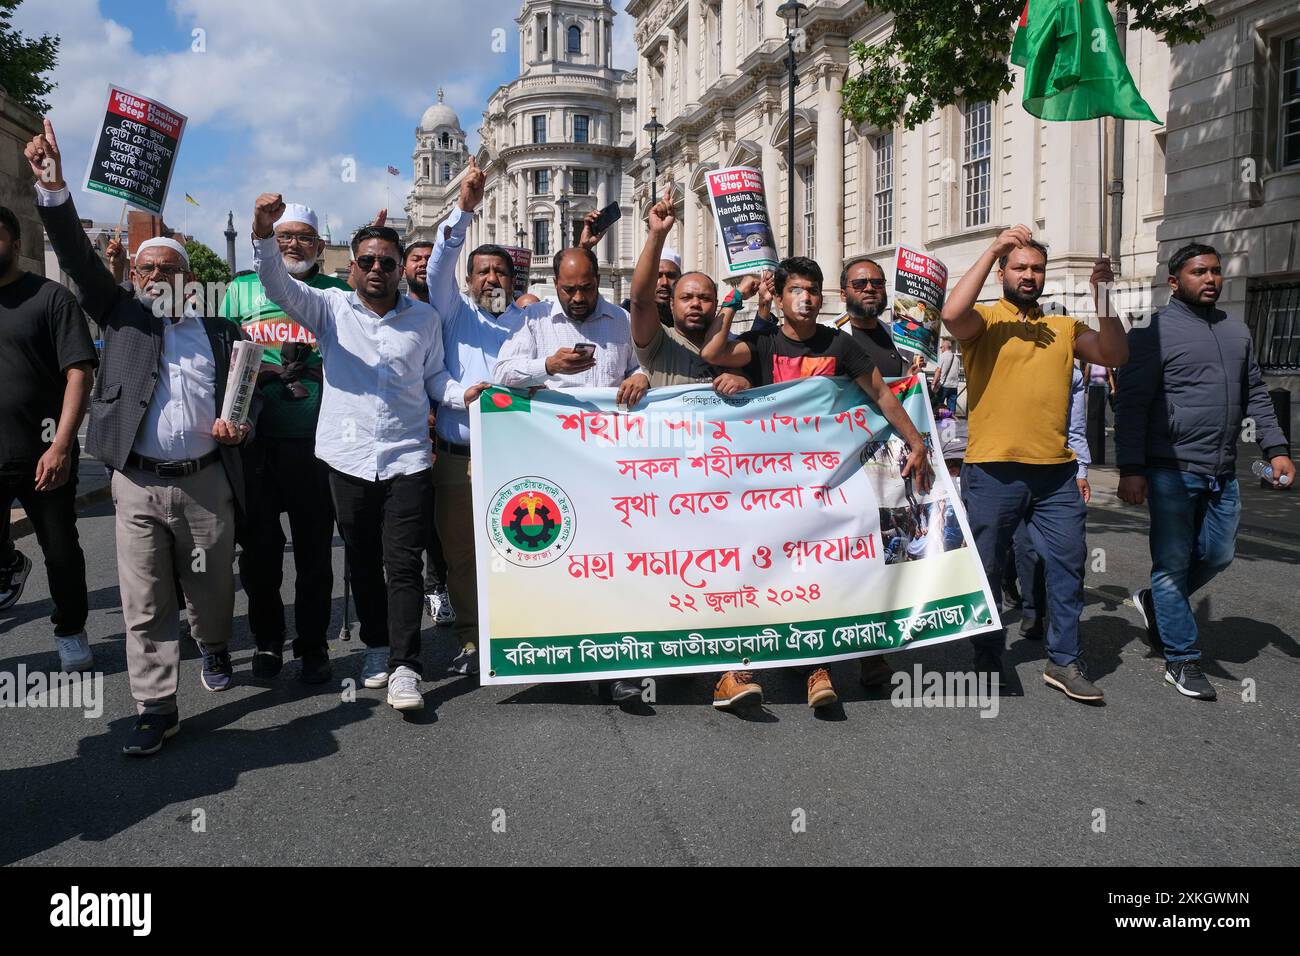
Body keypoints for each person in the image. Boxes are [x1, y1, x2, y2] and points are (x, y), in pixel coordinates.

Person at [29, 120, 252, 755]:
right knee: (144, 599)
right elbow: (73, 252)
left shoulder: (217, 331)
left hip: (207, 483)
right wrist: (52, 185)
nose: (151, 275)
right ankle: (155, 705)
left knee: (209, 590)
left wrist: (241, 424)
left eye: (163, 267)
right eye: (143, 267)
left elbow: (246, 394)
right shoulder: (120, 316)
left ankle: (211, 644)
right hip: (136, 484)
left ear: (186, 277)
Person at [252, 192, 460, 714]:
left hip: (408, 457)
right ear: (352, 268)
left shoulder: (425, 321)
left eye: (386, 263)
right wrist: (262, 233)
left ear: (398, 271)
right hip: (346, 459)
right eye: (364, 260)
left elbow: (436, 378)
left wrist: (469, 393)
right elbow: (277, 282)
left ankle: (408, 667)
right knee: (364, 562)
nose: (374, 269)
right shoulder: (328, 309)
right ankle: (376, 647)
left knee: (404, 564)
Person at [701, 255, 934, 709]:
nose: (804, 300)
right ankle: (743, 667)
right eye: (795, 291)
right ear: (782, 296)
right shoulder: (763, 342)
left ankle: (819, 667)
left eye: (811, 291)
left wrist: (917, 441)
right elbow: (712, 354)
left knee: (816, 572)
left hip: (823, 481)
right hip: (767, 483)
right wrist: (737, 296)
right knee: (760, 570)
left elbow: (882, 394)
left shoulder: (840, 345)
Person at [940, 224, 1128, 703]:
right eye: (1019, 267)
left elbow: (1115, 353)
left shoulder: (1064, 327)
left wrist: (1104, 296)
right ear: (1003, 272)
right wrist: (994, 247)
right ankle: (987, 655)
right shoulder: (984, 322)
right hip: (992, 470)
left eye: (1037, 269)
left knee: (1068, 567)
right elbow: (951, 313)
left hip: (1056, 475)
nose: (1029, 275)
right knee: (988, 569)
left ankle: (1064, 661)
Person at [1116, 242, 1294, 700]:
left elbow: (1256, 394)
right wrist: (1130, 468)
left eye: (1216, 271)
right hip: (1169, 469)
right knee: (1173, 564)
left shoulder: (1236, 331)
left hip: (1222, 469)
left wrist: (1276, 449)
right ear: (1175, 282)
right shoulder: (1149, 333)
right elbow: (1133, 407)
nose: (1211, 279)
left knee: (1218, 555)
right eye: (1199, 272)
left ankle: (1157, 601)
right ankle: (1182, 659)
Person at [494, 245, 649, 703]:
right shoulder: (536, 320)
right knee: (566, 564)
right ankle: (570, 656)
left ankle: (621, 665)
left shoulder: (620, 320)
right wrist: (548, 365)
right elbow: (502, 372)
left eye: (585, 288)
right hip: (554, 465)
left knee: (616, 563)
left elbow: (641, 364)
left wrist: (641, 376)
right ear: (555, 285)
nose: (578, 297)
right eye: (568, 289)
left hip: (611, 466)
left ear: (598, 280)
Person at [219, 202, 346, 684]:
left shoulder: (336, 292)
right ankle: (268, 642)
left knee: (315, 553)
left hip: (315, 442)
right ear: (270, 240)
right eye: (284, 235)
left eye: (304, 238)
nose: (293, 245)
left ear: (318, 246)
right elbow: (221, 356)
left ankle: (312, 645)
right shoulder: (239, 289)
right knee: (260, 554)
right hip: (256, 441)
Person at [424, 156, 517, 677]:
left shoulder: (531, 318)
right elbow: (438, 267)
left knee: (519, 547)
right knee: (462, 555)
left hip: (516, 458)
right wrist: (463, 210)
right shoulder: (452, 311)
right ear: (471, 279)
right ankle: (471, 637)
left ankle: (516, 635)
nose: (491, 278)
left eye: (500, 270)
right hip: (459, 460)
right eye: (482, 271)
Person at [0, 203, 96, 668]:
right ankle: (7, 564)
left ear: (15, 244)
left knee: (59, 549)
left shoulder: (51, 299)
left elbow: (79, 372)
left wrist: (61, 444)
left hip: (44, 452)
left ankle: (71, 628)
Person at [1013, 359, 1091, 640]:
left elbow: (1076, 426)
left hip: (1057, 471)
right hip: (1011, 467)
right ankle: (1033, 609)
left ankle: (1064, 642)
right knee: (1025, 546)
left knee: (1067, 550)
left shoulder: (1071, 371)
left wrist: (1081, 470)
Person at [401, 237, 455, 627]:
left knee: (441, 513)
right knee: (408, 519)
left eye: (429, 259)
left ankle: (439, 586)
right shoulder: (393, 309)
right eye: (415, 258)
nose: (423, 264)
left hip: (445, 422)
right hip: (403, 428)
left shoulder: (450, 308)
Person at [836, 258, 911, 376]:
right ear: (843, 295)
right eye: (859, 284)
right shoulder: (828, 336)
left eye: (877, 283)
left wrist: (913, 379)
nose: (870, 288)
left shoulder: (899, 339)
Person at [933, 337, 962, 415]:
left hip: (944, 385)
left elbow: (938, 371)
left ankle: (939, 423)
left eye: (941, 347)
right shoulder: (956, 358)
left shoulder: (943, 356)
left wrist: (933, 383)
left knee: (939, 406)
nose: (940, 348)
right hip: (954, 386)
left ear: (945, 347)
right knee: (951, 408)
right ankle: (951, 423)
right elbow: (957, 372)